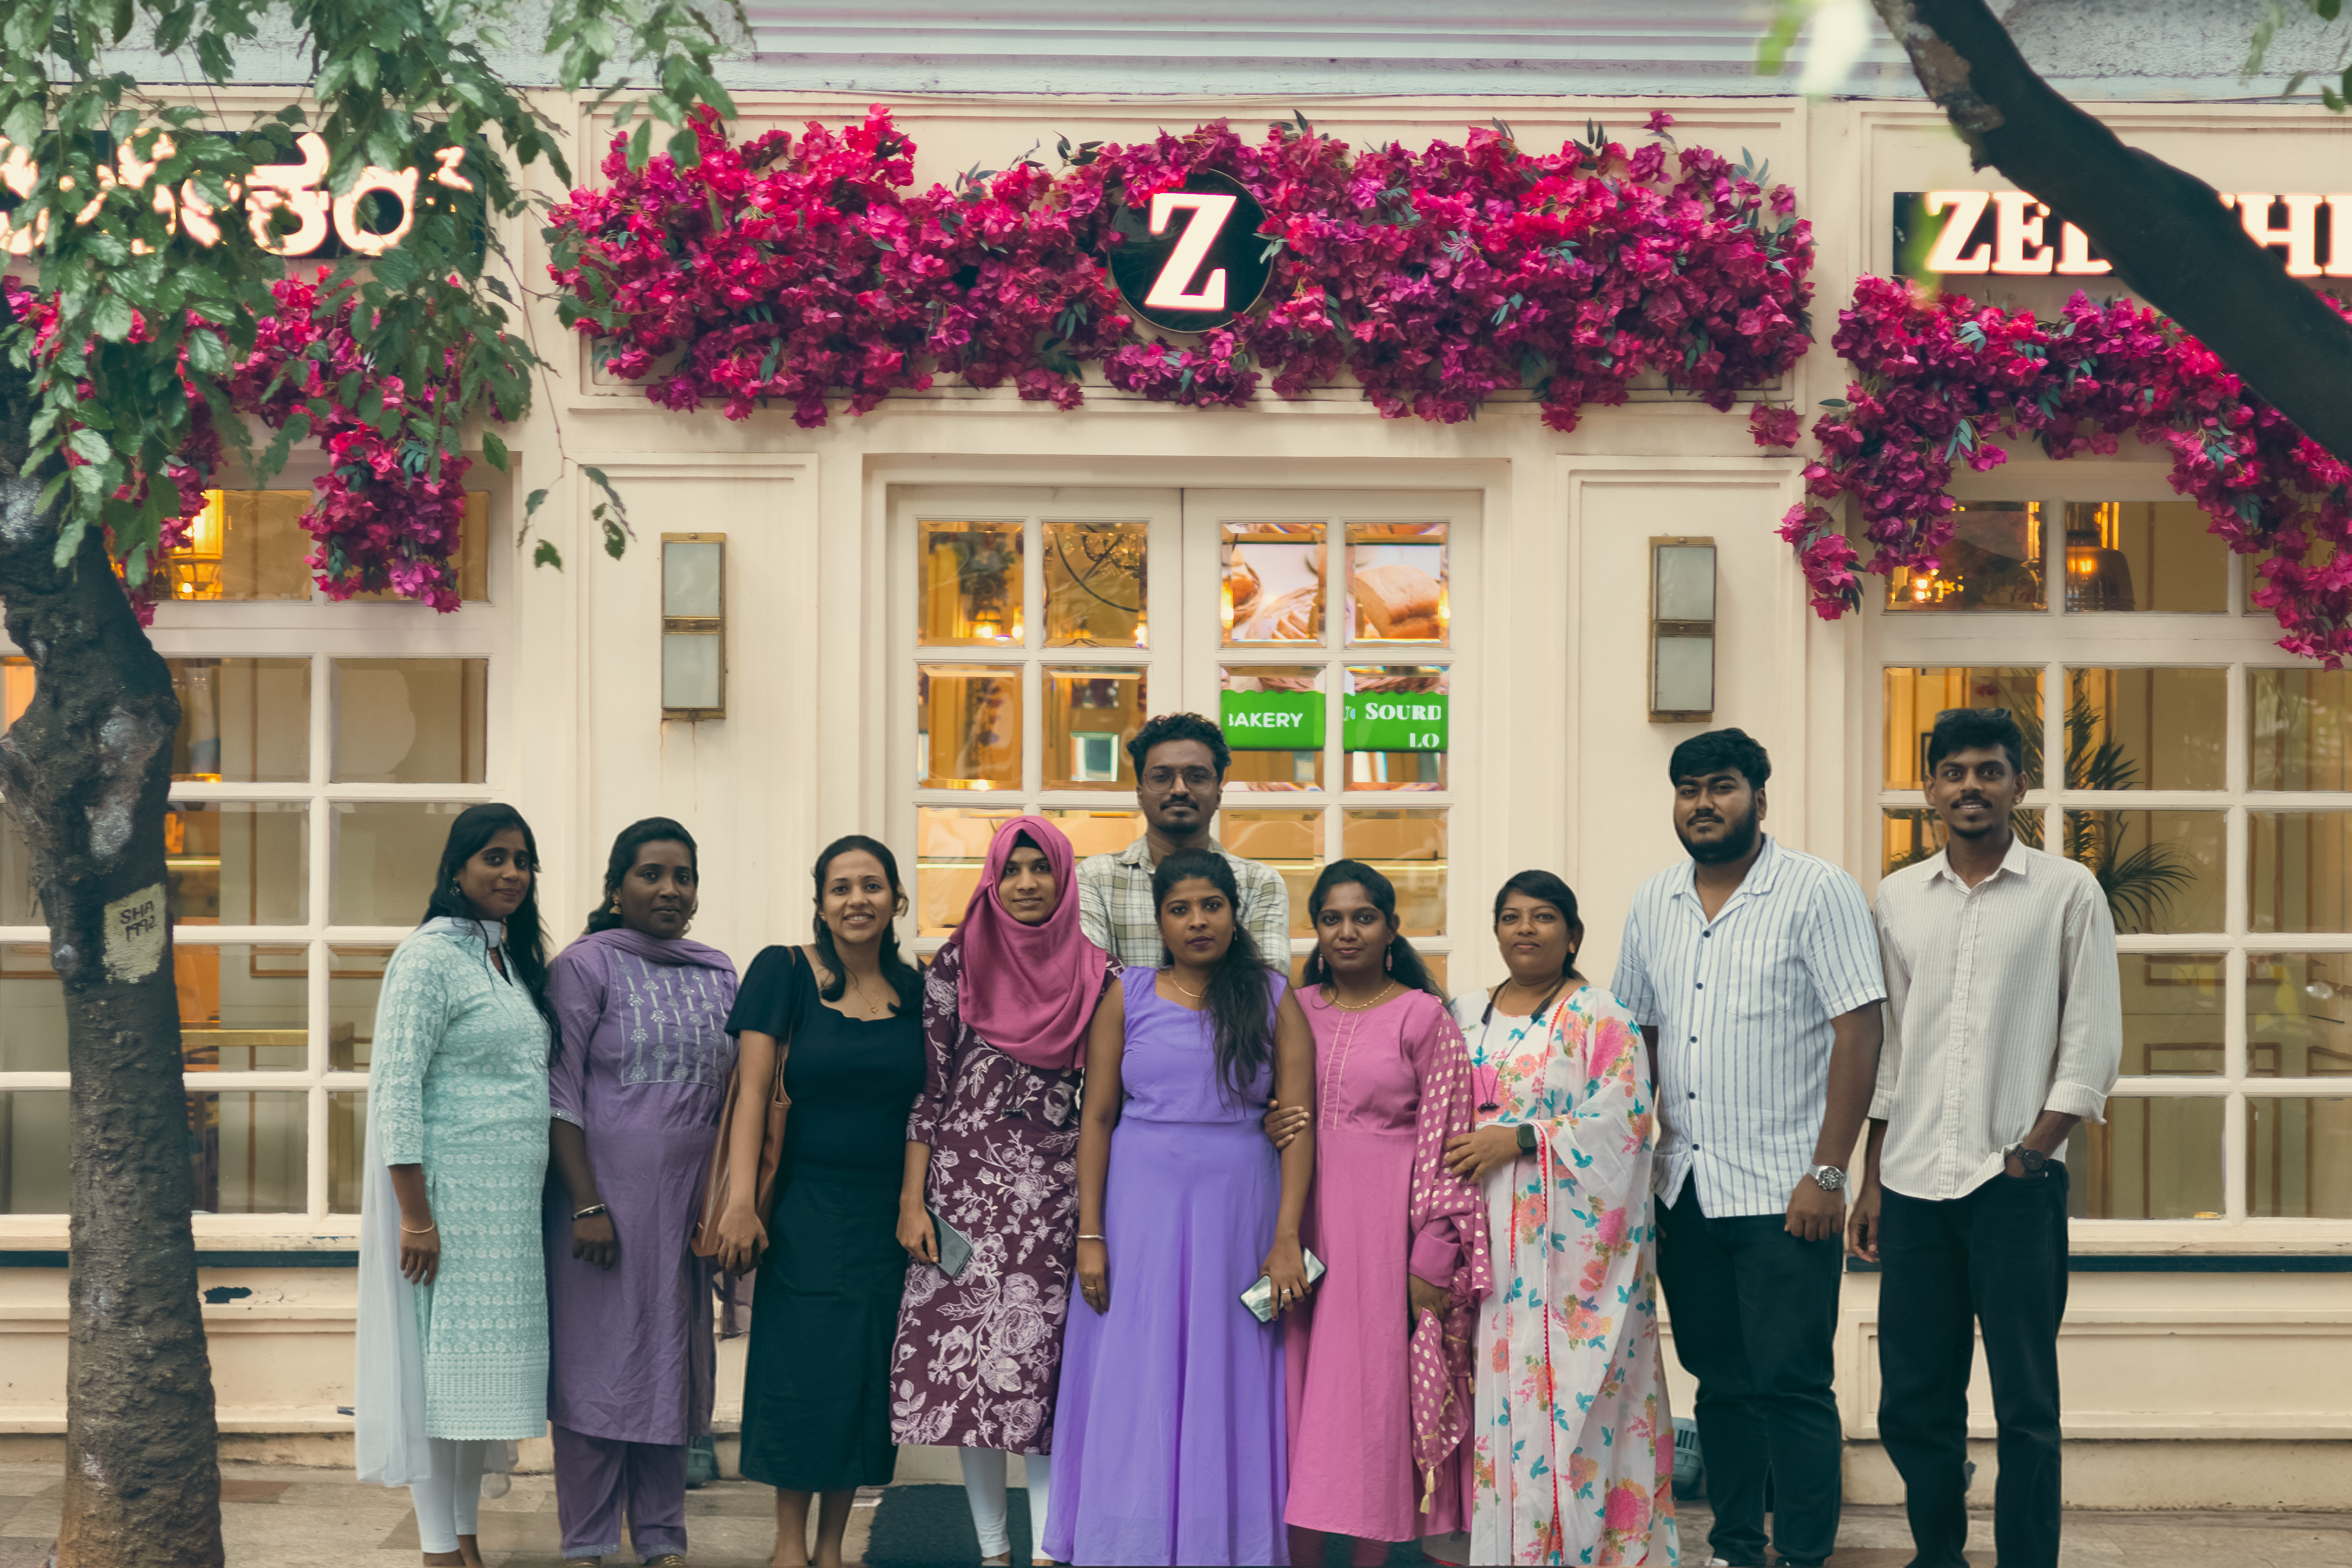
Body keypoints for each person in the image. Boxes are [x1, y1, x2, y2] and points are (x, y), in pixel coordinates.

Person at [1853, 707, 2120, 1568]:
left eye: (1988, 770)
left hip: (2014, 1187)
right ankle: (1938, 1554)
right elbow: (1889, 1053)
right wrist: (1868, 1180)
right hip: (1912, 1185)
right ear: (1929, 787)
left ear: (2018, 785)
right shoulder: (1896, 899)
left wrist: (2030, 1154)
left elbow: (2089, 1045)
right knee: (1912, 1400)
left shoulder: (2065, 891)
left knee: (2024, 1404)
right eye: (1954, 771)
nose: (1970, 784)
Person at [1612, 729, 1886, 1568]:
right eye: (1688, 789)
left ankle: (1802, 1554)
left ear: (1758, 798)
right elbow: (1635, 1038)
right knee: (1720, 1388)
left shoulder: (1816, 891)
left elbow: (1859, 1029)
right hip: (1685, 1190)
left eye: (1721, 786)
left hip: (1785, 1194)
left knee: (1792, 1385)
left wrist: (1829, 1172)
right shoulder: (1652, 902)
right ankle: (1734, 1546)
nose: (1703, 803)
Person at [1043, 849, 1317, 1567]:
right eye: (1180, 908)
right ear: (1160, 920)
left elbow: (1298, 1121)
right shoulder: (1125, 993)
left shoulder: (1269, 993)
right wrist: (1091, 1235)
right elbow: (1097, 1117)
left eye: (1211, 906)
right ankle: (1125, 1544)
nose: (1198, 921)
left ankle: (1220, 1545)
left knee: (1231, 1379)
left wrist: (1287, 1236)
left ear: (1234, 912)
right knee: (1137, 1376)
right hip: (1139, 1214)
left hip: (1241, 1210)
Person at [889, 816, 1114, 1567]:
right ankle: (990, 1551)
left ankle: (1049, 1551)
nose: (1025, 884)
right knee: (970, 1383)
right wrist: (913, 1201)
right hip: (963, 1196)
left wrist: (1094, 1215)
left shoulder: (1096, 973)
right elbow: (928, 1091)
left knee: (1040, 1378)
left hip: (1054, 1200)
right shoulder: (957, 963)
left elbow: (1099, 1107)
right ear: (992, 876)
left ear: (1062, 877)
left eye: (1040, 869)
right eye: (1011, 869)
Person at [1439, 871, 1678, 1567]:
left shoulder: (1601, 1015)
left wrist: (1519, 1138)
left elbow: (1627, 1118)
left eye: (1543, 917)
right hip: (1492, 1256)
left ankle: (1594, 1551)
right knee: (1503, 1399)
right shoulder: (1465, 1014)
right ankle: (1512, 1549)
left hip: (1579, 1263)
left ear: (1572, 934)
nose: (1525, 929)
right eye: (1510, 916)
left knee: (1585, 1403)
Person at [711, 836, 925, 1568]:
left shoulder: (917, 988)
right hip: (803, 1209)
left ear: (897, 900)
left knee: (864, 1375)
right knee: (802, 1374)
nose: (856, 899)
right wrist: (743, 1201)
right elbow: (749, 1093)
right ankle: (788, 1547)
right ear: (821, 902)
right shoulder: (786, 971)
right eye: (841, 887)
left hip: (884, 1218)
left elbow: (929, 1109)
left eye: (872, 885)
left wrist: (914, 1201)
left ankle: (833, 1550)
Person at [355, 803, 557, 1568]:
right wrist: (415, 1214)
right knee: (439, 1384)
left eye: (523, 860)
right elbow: (396, 1089)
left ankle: (467, 1539)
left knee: (480, 1390)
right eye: (495, 858)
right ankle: (440, 1550)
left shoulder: (504, 958)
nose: (511, 873)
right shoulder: (429, 957)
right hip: (446, 1205)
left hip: (506, 1212)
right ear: (458, 870)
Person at [1281, 860, 1491, 1566]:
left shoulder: (1422, 1015)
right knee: (1296, 1392)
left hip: (1382, 1233)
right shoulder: (1296, 1007)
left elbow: (1451, 1139)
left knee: (1371, 1399)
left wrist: (1431, 1254)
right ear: (1316, 929)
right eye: (1333, 918)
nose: (1347, 931)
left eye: (1363, 917)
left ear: (1392, 929)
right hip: (1299, 1218)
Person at [543, 818, 739, 1568]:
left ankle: (662, 1539)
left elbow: (735, 1095)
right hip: (603, 1209)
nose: (670, 889)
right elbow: (560, 1093)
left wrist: (725, 1202)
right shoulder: (586, 966)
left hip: (687, 1213)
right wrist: (587, 1203)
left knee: (669, 1370)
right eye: (651, 874)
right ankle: (587, 1542)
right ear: (617, 887)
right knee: (599, 1370)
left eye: (682, 876)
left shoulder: (718, 970)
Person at [1076, 711, 1291, 968]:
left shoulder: (1258, 882)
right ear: (1141, 794)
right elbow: (1094, 982)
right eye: (1162, 777)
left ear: (1219, 794)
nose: (1179, 789)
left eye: (1197, 777)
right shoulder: (1095, 878)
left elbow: (1268, 988)